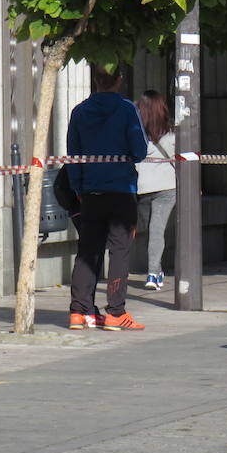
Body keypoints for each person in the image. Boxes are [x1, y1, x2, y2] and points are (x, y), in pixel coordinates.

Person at [67, 65, 148, 330]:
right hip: (121, 189)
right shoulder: (127, 109)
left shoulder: (79, 112)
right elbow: (139, 151)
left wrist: (78, 188)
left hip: (90, 191)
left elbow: (73, 155)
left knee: (87, 250)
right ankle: (115, 311)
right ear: (119, 80)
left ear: (95, 81)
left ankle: (79, 311)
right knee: (120, 250)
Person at [135, 90, 176, 291]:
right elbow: (179, 158)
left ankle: (154, 271)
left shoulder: (136, 133)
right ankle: (154, 272)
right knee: (156, 230)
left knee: (150, 230)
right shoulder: (169, 132)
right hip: (167, 187)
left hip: (143, 188)